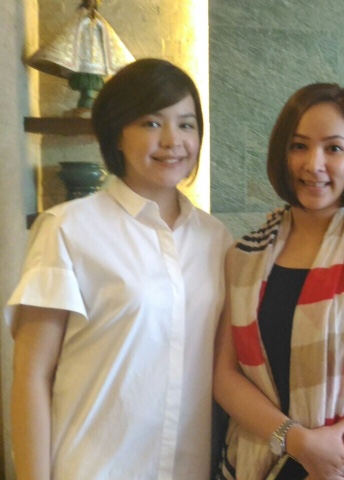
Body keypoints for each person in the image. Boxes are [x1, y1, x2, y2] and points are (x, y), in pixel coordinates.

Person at [6, 58, 232, 479]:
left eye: (186, 124)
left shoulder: (216, 240)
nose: (173, 140)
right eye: (151, 123)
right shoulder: (68, 228)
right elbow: (32, 375)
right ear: (117, 135)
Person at [213, 83, 344, 479]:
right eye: (299, 146)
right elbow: (225, 376)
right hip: (257, 457)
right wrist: (298, 442)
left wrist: (326, 469)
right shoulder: (244, 256)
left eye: (334, 148)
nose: (314, 164)